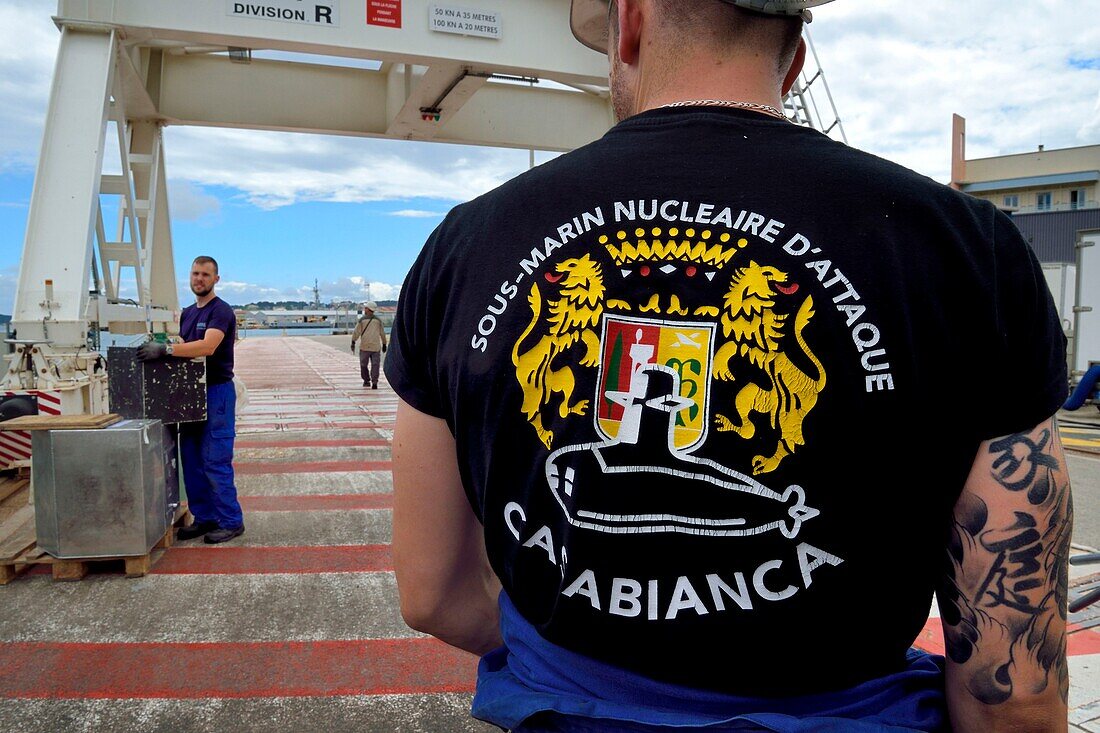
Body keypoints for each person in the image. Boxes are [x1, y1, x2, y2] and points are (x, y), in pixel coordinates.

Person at [385, 1, 1073, 730]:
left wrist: (583, 661)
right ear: (795, 55)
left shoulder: (466, 246)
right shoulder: (969, 251)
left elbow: (433, 591)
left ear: (630, 26)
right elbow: (1015, 688)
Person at [137, 256, 245, 544]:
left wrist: (166, 350)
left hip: (217, 392)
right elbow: (187, 348)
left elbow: (209, 346)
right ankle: (205, 517)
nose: (199, 279)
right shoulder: (187, 313)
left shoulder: (220, 311)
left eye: (206, 274)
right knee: (192, 459)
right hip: (191, 394)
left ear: (216, 279)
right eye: (196, 273)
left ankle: (231, 521)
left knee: (215, 460)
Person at [351, 301, 387, 388]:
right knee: (375, 365)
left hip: (365, 347)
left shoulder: (364, 320)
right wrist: (384, 344)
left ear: (369, 309)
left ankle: (368, 380)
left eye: (366, 308)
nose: (365, 309)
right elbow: (382, 333)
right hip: (375, 347)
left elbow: (356, 332)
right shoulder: (377, 321)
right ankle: (373, 381)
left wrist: (353, 341)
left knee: (364, 365)